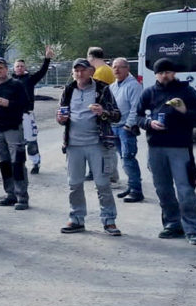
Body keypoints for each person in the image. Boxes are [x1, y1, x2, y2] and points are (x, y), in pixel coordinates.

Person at [137, 58, 196, 245]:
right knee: (163, 189)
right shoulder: (149, 93)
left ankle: (192, 229)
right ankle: (171, 224)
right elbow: (137, 116)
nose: (165, 75)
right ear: (155, 75)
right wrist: (148, 123)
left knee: (185, 190)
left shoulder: (186, 91)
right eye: (161, 73)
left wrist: (185, 111)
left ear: (174, 73)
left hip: (180, 147)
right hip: (156, 147)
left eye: (168, 72)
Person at [56, 58, 122, 236]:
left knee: (102, 184)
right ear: (72, 73)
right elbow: (61, 115)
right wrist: (61, 119)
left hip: (97, 144)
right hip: (73, 145)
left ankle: (109, 221)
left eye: (83, 70)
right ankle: (76, 219)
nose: (79, 73)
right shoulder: (68, 89)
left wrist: (103, 112)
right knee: (74, 184)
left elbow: (117, 115)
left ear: (91, 71)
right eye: (76, 70)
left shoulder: (102, 89)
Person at [0, 58, 31, 210]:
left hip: (13, 128)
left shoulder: (16, 85)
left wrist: (9, 104)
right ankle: (10, 194)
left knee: (18, 162)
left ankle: (22, 196)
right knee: (4, 163)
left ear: (6, 69)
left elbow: (26, 104)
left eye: (1, 68)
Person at [12, 46, 54, 174]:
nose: (19, 68)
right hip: (13, 116)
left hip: (27, 115)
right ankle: (17, 164)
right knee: (15, 142)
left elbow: (42, 72)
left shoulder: (30, 79)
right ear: (14, 68)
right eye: (17, 66)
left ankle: (35, 162)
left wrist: (47, 59)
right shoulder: (10, 81)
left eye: (21, 66)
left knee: (31, 140)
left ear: (25, 68)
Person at [109, 57, 144, 203]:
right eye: (114, 67)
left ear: (127, 69)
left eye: (120, 67)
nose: (116, 69)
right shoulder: (113, 86)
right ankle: (131, 186)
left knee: (129, 158)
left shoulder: (134, 86)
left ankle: (136, 191)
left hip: (126, 128)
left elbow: (136, 108)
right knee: (123, 159)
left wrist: (128, 125)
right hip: (114, 127)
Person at [85, 47, 119, 184]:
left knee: (107, 148)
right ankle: (105, 173)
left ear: (91, 57)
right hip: (110, 111)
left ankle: (109, 175)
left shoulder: (100, 72)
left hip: (104, 113)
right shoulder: (108, 69)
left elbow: (94, 94)